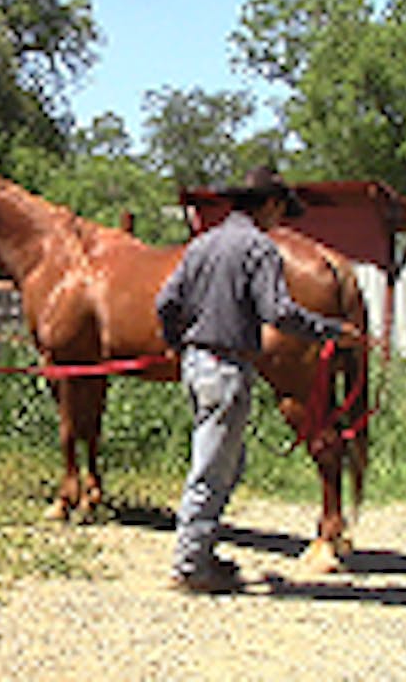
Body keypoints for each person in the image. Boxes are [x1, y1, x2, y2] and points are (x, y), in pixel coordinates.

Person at [155, 166, 362, 593]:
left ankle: (201, 552)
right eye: (280, 210)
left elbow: (166, 302)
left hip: (198, 365)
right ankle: (190, 565)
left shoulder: (202, 244)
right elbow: (278, 312)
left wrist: (178, 344)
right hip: (226, 366)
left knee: (228, 462)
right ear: (267, 204)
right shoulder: (259, 249)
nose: (280, 220)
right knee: (213, 468)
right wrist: (330, 331)